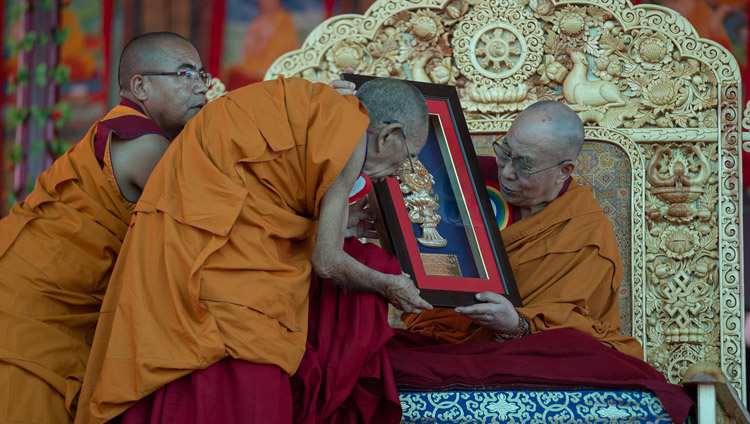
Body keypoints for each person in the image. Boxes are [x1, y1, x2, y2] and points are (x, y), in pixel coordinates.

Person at [76, 76, 432, 423]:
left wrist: (326, 224)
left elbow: (262, 197)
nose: (400, 174)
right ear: (389, 134)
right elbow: (328, 261)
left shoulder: (291, 99)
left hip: (172, 262)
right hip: (234, 296)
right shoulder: (350, 135)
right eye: (408, 158)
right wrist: (388, 284)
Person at [0, 32, 209, 424]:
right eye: (183, 73)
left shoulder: (141, 135)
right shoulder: (145, 144)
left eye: (201, 73)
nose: (198, 85)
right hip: (27, 313)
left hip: (52, 312)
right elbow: (211, 223)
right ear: (140, 86)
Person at [401, 100, 642, 357]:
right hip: (441, 341)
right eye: (505, 153)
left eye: (523, 165)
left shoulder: (586, 230)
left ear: (564, 170)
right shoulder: (463, 182)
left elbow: (582, 329)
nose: (506, 172)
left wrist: (517, 324)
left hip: (530, 354)